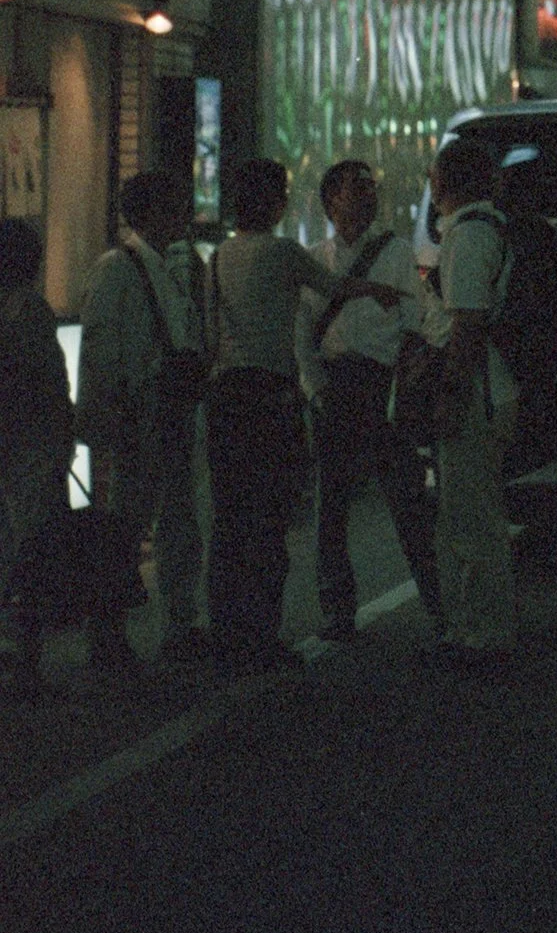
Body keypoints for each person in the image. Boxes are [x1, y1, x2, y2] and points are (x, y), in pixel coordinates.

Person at [210, 157, 387, 671]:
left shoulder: (219, 257)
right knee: (269, 521)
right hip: (271, 398)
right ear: (274, 203)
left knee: (229, 520)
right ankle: (262, 636)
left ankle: (226, 632)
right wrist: (377, 290)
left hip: (227, 397)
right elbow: (335, 286)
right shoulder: (285, 252)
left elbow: (207, 336)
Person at [300, 159, 440, 643]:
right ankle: (338, 610)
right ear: (330, 199)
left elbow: (413, 317)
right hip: (335, 385)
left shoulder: (397, 250)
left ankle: (439, 605)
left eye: (369, 188)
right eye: (354, 188)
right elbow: (303, 334)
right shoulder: (315, 259)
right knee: (331, 505)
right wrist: (316, 388)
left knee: (406, 499)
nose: (367, 196)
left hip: (382, 383)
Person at [78, 169, 209, 671]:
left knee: (176, 522)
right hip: (140, 415)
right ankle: (108, 634)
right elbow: (101, 351)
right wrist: (104, 418)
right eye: (175, 206)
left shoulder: (174, 265)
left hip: (170, 410)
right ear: (151, 213)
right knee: (127, 528)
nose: (185, 216)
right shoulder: (118, 267)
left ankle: (177, 624)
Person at [422, 134, 517, 671]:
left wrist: (451, 396)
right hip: (493, 391)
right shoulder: (491, 229)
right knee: (477, 514)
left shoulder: (468, 237)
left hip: (477, 394)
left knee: (471, 519)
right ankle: (479, 630)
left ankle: (483, 637)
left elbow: (467, 323)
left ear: (446, 182)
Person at [0, 219, 73, 698]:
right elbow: (47, 383)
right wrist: (64, 438)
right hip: (31, 446)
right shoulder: (29, 310)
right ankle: (26, 662)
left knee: (10, 551)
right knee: (32, 553)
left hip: (9, 443)